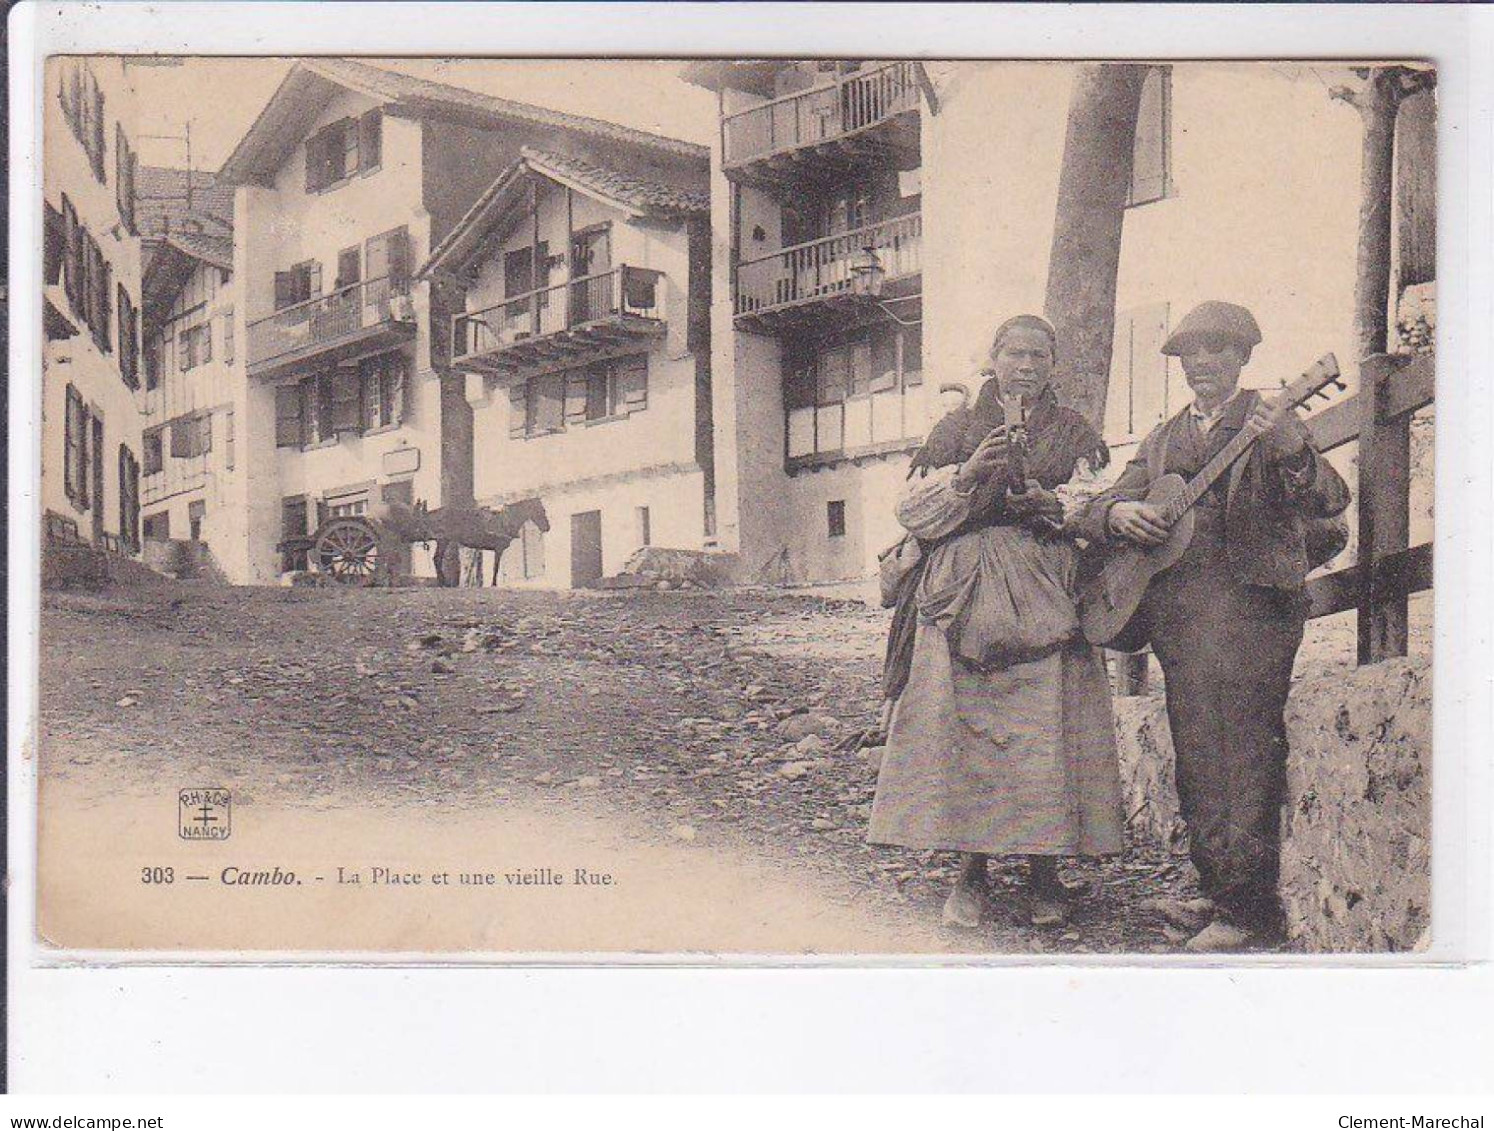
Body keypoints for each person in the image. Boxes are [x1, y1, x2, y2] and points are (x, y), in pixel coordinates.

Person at [1073, 301, 1351, 952]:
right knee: (1198, 756)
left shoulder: (1273, 417)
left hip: (1256, 611)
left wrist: (1291, 450)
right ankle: (1216, 889)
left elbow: (1331, 501)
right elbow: (1101, 505)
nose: (1202, 363)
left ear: (1244, 357)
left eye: (1217, 351)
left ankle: (1250, 912)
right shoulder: (1166, 438)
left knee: (1247, 752)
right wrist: (1120, 518)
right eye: (1191, 354)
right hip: (1183, 618)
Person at [868, 315, 1122, 930]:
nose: (1027, 367)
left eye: (1039, 355)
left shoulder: (1074, 433)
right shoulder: (956, 429)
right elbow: (912, 513)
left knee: (1044, 733)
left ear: (1054, 365)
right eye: (1015, 354)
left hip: (1045, 590)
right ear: (993, 358)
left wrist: (1054, 506)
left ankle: (1044, 874)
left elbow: (1096, 503)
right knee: (965, 731)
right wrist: (968, 475)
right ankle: (969, 876)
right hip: (963, 589)